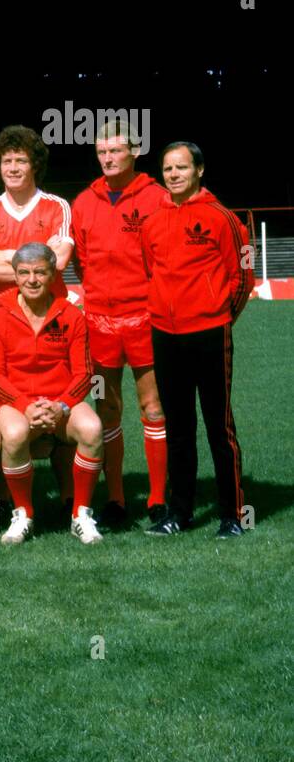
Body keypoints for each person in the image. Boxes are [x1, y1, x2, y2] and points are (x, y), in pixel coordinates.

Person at [140, 142, 252, 538]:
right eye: (167, 169)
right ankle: (180, 512)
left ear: (199, 170)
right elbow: (151, 271)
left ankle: (233, 515)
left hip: (209, 334)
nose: (173, 175)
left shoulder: (222, 217)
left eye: (181, 167)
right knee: (179, 428)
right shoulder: (152, 222)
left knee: (219, 427)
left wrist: (220, 319)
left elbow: (243, 276)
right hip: (165, 336)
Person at [71, 121, 171, 529]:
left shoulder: (157, 197)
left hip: (145, 319)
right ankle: (114, 499)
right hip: (99, 322)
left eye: (115, 151)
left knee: (153, 407)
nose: (108, 159)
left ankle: (158, 499)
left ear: (135, 152)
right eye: (102, 153)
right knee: (108, 409)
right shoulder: (83, 201)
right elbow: (81, 260)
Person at [0, 244, 104, 546]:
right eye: (24, 273)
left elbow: (84, 374)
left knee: (92, 428)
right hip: (15, 400)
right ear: (15, 276)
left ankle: (81, 515)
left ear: (53, 275)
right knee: (14, 432)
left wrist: (62, 405)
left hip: (61, 400)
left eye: (40, 272)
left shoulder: (71, 315)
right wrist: (25, 406)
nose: (32, 279)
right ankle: (23, 513)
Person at [0, 126, 73, 301]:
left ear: (34, 166)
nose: (13, 168)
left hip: (49, 310)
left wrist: (4, 255)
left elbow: (59, 261)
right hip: (3, 314)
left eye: (21, 161)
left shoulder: (57, 207)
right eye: (7, 161)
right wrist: (43, 259)